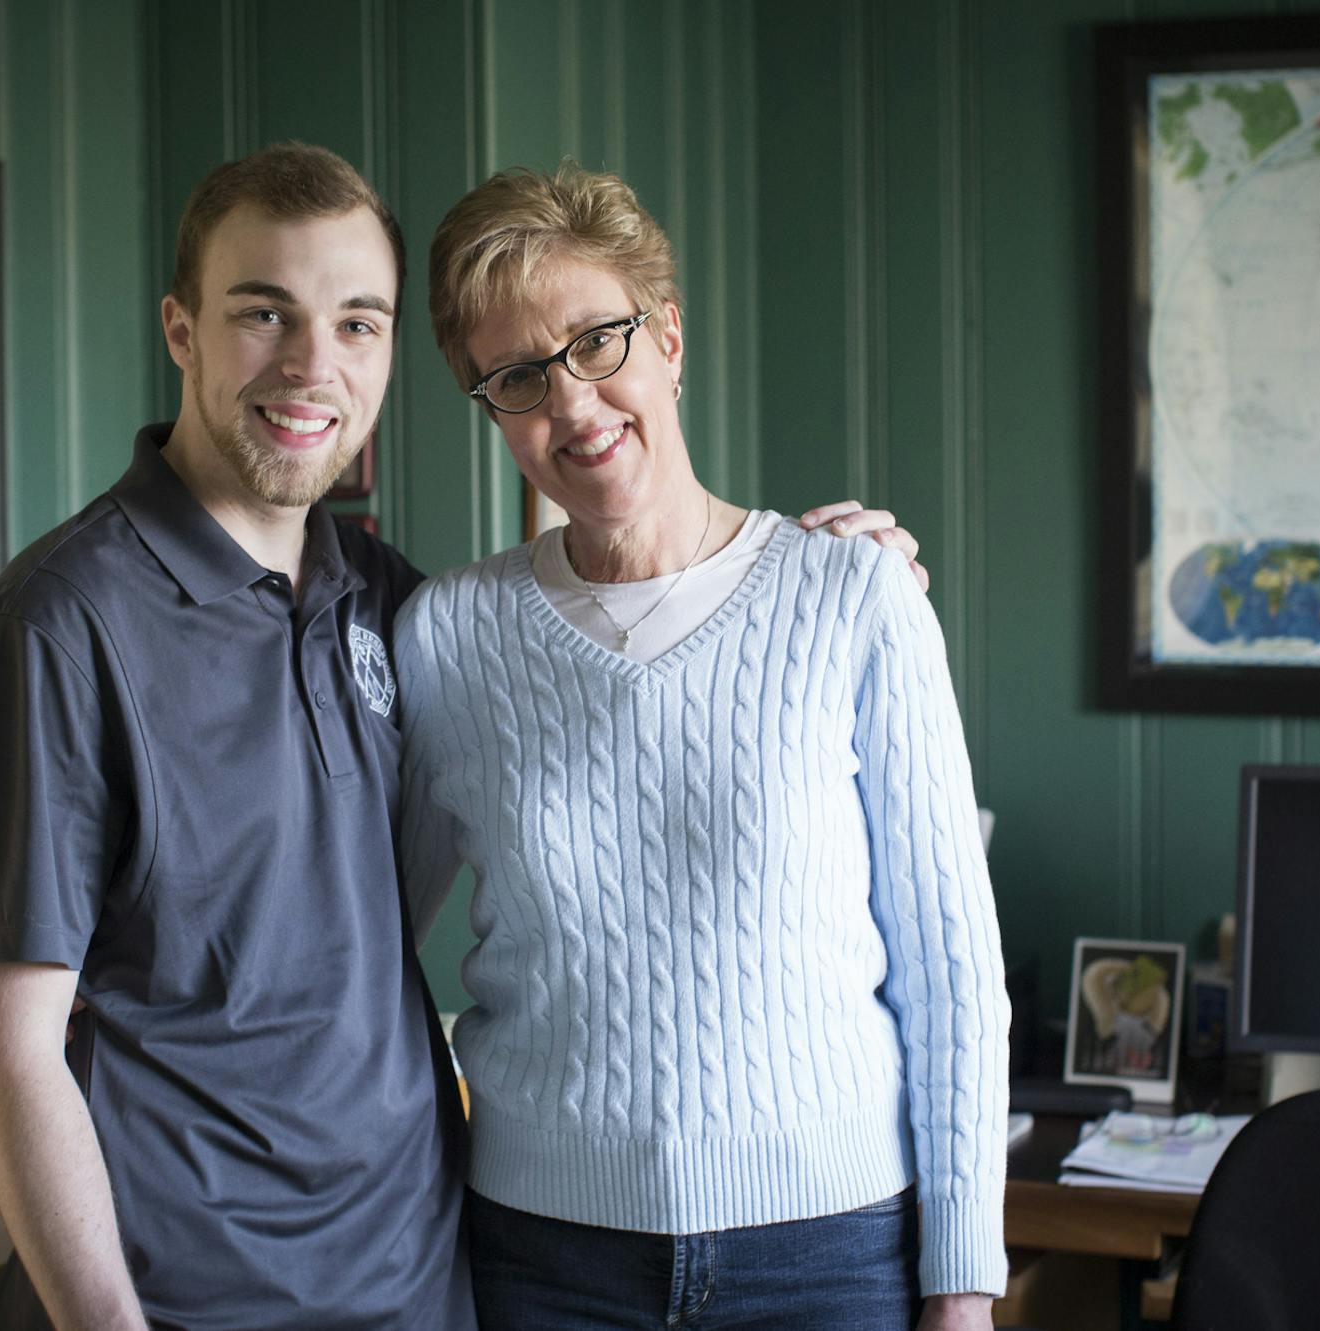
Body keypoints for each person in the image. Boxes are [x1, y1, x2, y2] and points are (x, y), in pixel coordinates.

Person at [0, 141, 920, 1331]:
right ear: (181, 330)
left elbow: (605, 655)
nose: (312, 366)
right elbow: (7, 1050)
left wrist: (842, 576)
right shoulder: (53, 628)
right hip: (185, 1293)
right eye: (263, 313)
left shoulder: (394, 605)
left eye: (358, 322)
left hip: (419, 1276)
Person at [398, 163, 1010, 1330]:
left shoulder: (857, 599)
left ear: (669, 339)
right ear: (487, 403)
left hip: (832, 1255)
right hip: (544, 1257)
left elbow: (954, 977)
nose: (572, 403)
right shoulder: (451, 635)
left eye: (598, 341)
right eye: (518, 375)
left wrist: (963, 1285)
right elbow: (362, 941)